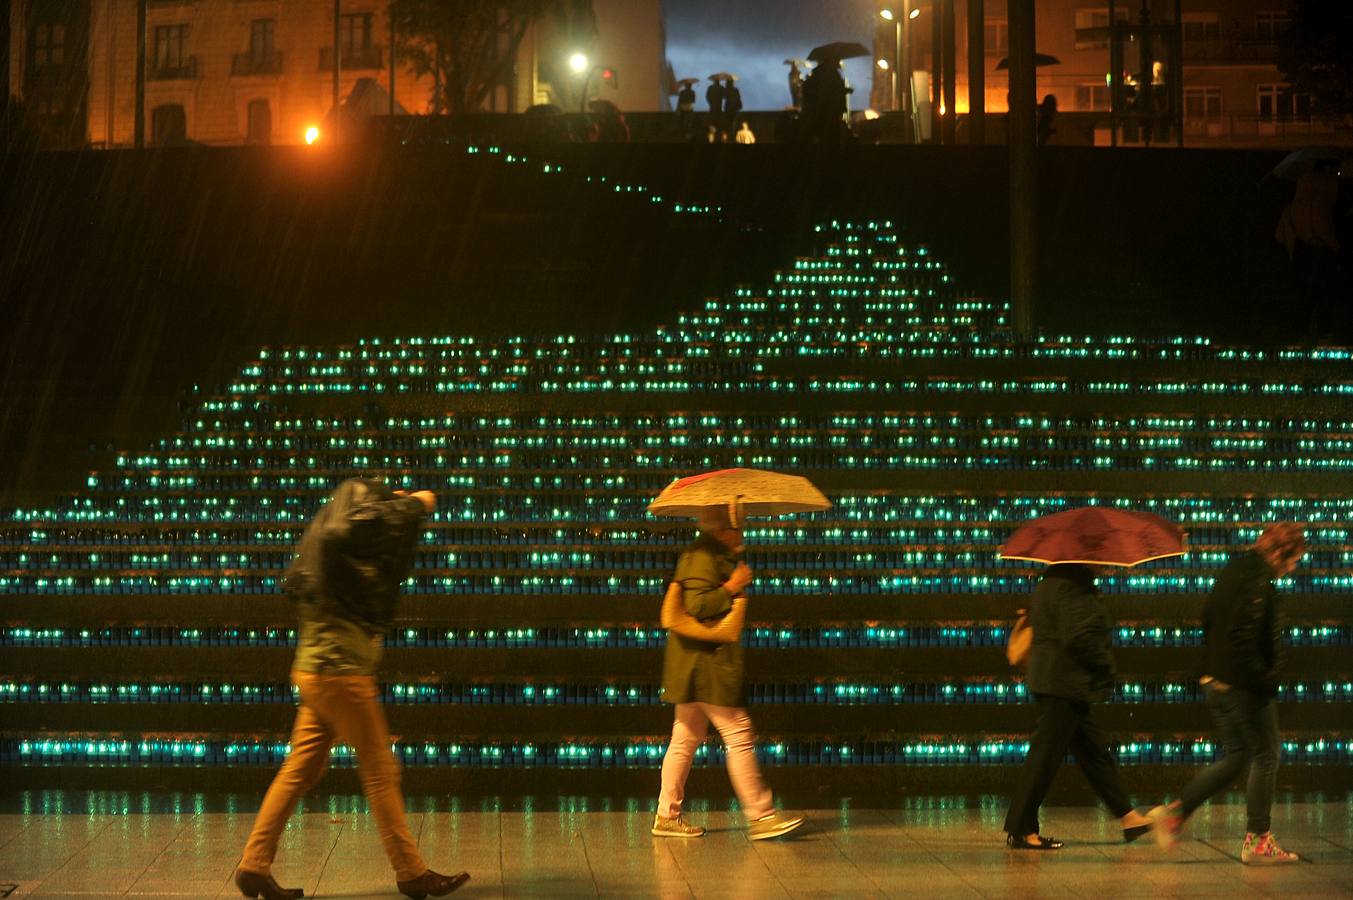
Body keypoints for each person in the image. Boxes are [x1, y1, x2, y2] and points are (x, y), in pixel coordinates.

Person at [236, 479, 469, 900]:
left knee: (300, 770)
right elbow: (360, 528)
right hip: (341, 673)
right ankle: (412, 873)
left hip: (316, 670)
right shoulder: (342, 534)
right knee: (380, 770)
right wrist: (413, 507)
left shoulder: (326, 555)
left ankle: (253, 866)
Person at [1147, 524, 1306, 865]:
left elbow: (1207, 617)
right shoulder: (1259, 579)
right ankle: (1259, 840)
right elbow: (1246, 636)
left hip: (1214, 678)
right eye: (1292, 561)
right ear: (1280, 553)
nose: (1292, 569)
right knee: (1267, 754)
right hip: (1243, 685)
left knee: (1237, 756)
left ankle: (1177, 811)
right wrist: (1264, 679)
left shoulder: (1235, 567)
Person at [653, 505, 804, 841]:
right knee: (738, 734)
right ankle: (761, 814)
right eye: (739, 525)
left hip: (694, 666)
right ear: (724, 529)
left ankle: (667, 815)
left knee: (684, 740)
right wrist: (733, 586)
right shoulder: (701, 557)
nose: (744, 531)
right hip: (705, 667)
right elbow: (698, 606)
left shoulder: (710, 554)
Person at [1002, 564, 1155, 850]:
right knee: (1044, 758)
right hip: (1064, 683)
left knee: (1093, 752)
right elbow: (1079, 637)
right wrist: (1106, 666)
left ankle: (1128, 815)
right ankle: (1021, 828)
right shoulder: (1075, 586)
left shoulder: (1051, 581)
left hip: (1052, 679)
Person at [1275, 159, 1344, 340]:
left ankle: (1300, 333)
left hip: (1298, 253)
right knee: (1322, 294)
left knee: (1305, 295)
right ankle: (1323, 332)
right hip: (1318, 253)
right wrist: (1336, 247)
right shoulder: (1319, 202)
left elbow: (1279, 235)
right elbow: (1322, 228)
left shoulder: (1291, 207)